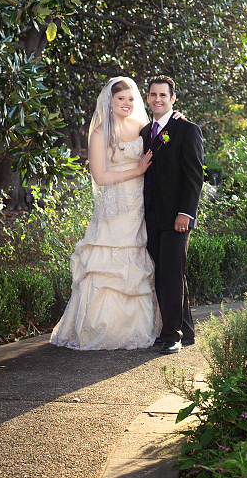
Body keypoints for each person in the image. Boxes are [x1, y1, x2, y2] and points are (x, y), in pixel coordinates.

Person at [50, 77, 160, 350]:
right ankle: (103, 328)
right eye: (121, 99)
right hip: (114, 208)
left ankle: (138, 327)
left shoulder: (141, 126)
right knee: (107, 263)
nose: (127, 103)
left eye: (131, 99)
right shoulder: (100, 133)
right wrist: (138, 170)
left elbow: (165, 137)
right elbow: (99, 176)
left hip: (138, 205)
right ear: (109, 102)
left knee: (136, 261)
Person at [140, 76, 204, 354]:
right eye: (153, 95)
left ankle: (171, 336)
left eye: (163, 95)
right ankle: (187, 332)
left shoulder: (187, 130)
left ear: (172, 98)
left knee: (170, 276)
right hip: (152, 217)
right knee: (168, 274)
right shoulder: (145, 133)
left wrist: (185, 214)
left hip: (177, 218)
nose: (157, 99)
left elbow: (194, 178)